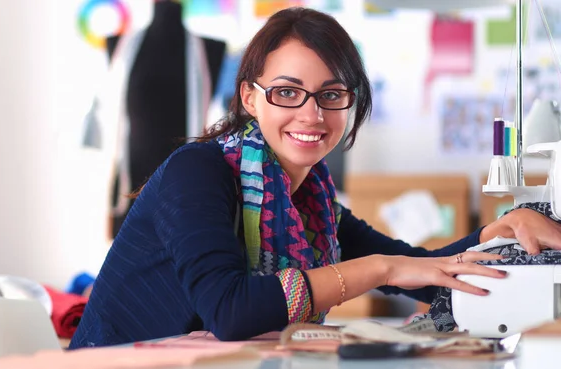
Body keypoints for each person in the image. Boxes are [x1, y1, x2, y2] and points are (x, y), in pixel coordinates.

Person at [69, 7, 561, 348]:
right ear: (249, 97)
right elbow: (231, 311)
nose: (311, 114)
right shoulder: (196, 173)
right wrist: (380, 269)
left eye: (331, 94)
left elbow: (425, 274)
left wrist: (495, 237)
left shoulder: (313, 203)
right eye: (287, 92)